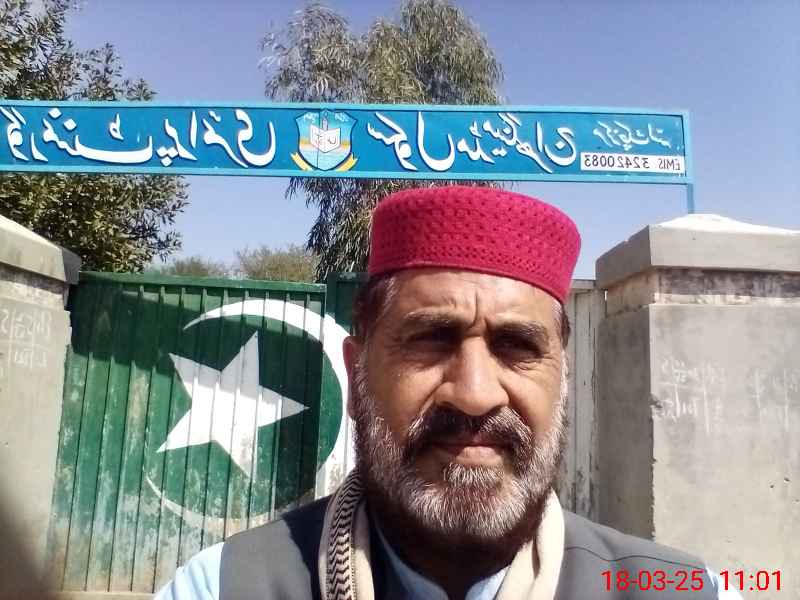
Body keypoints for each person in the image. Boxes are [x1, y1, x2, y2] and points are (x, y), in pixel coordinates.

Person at [156, 186, 741, 599]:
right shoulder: (224, 586)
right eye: (431, 340)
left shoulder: (685, 591)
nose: (475, 395)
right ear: (357, 380)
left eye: (517, 346)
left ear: (562, 384)